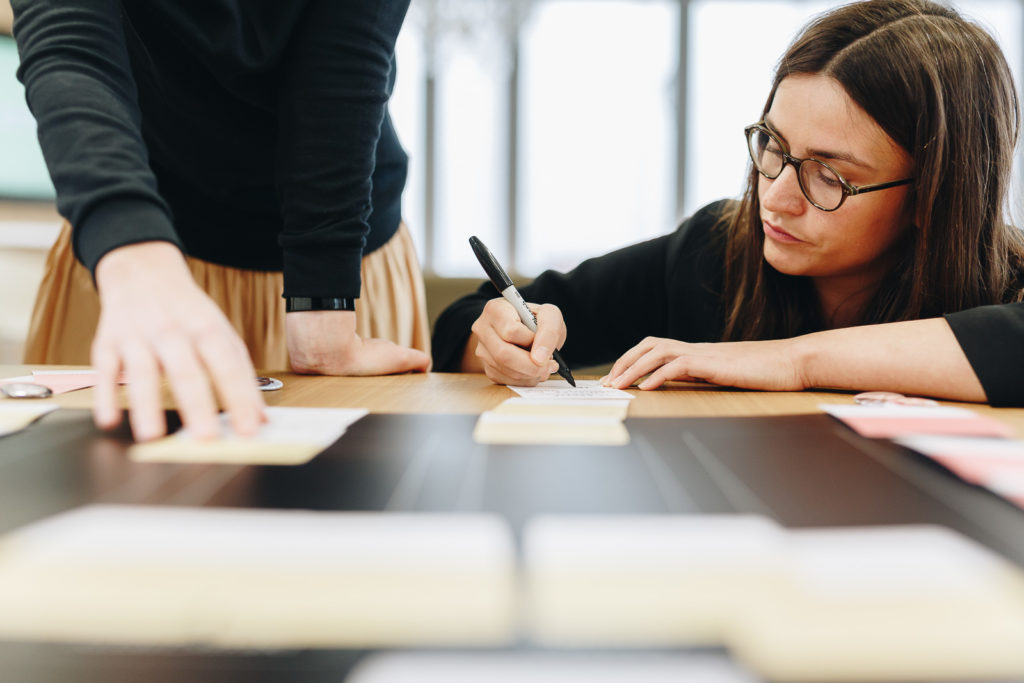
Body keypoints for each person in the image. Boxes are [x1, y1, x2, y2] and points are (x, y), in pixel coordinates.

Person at [432, 0, 1024, 407]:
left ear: (933, 196)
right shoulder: (714, 250)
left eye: (828, 176)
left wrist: (794, 363)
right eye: (774, 146)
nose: (776, 195)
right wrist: (501, 343)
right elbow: (462, 324)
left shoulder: (1004, 285)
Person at [11, 0, 431, 441]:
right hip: (129, 262)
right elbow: (71, 44)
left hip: (343, 256)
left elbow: (346, 53)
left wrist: (324, 300)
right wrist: (130, 249)